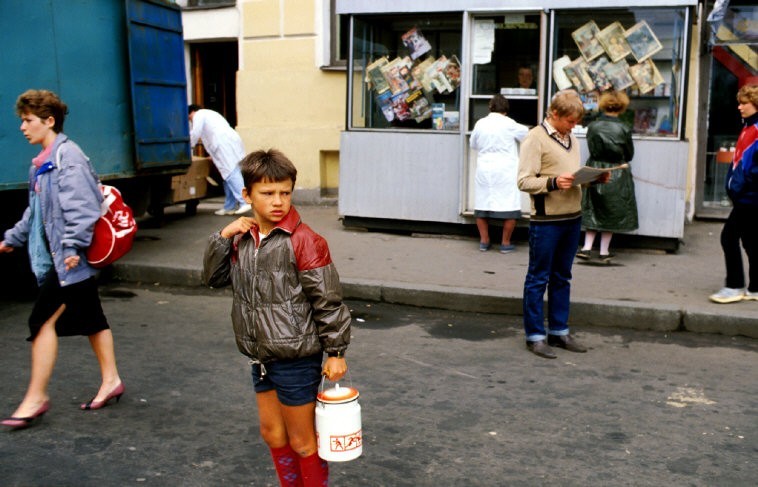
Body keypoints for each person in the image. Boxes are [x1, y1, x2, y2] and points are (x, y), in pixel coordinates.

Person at [202, 149, 351, 486]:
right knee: (273, 434)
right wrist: (223, 237)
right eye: (267, 193)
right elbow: (213, 278)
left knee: (302, 442)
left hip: (297, 357)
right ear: (247, 195)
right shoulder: (242, 239)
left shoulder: (305, 241)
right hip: (262, 355)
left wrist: (337, 352)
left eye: (285, 192)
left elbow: (328, 302)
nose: (278, 201)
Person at [1, 90, 124, 429]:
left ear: (49, 120)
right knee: (92, 318)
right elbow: (37, 210)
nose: (23, 127)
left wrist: (71, 248)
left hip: (68, 259)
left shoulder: (67, 157)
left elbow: (83, 207)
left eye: (28, 120)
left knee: (41, 321)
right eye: (22, 121)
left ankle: (36, 397)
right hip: (64, 257)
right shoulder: (42, 162)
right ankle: (111, 379)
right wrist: (13, 238)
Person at [517, 90, 609, 359]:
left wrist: (592, 179)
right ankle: (535, 336)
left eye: (576, 122)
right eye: (570, 121)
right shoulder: (535, 138)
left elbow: (572, 176)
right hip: (547, 221)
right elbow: (523, 181)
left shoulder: (572, 138)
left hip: (573, 217)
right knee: (538, 278)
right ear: (554, 114)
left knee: (562, 277)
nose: (574, 126)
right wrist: (553, 182)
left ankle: (559, 332)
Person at [709, 84, 758, 304]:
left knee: (728, 237)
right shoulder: (749, 127)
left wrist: (742, 187)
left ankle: (734, 286)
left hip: (750, 197)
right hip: (747, 195)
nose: (739, 107)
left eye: (744, 103)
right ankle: (755, 288)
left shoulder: (755, 130)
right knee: (750, 240)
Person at [577, 90, 638, 263]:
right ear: (622, 106)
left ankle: (587, 248)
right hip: (616, 171)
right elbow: (629, 154)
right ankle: (604, 252)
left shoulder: (593, 126)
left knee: (593, 209)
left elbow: (591, 146)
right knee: (611, 211)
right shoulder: (624, 128)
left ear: (603, 105)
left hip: (595, 168)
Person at [470, 94, 529, 253]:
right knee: (510, 205)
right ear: (506, 109)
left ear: (490, 107)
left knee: (482, 204)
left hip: (485, 168)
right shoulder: (510, 124)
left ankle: (484, 241)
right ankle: (505, 243)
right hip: (505, 170)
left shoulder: (480, 123)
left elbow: (473, 144)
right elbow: (528, 136)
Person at [188, 104, 251, 216]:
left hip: (224, 143)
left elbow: (195, 133)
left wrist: (188, 147)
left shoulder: (199, 114)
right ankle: (229, 206)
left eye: (189, 117)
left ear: (192, 112)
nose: (190, 120)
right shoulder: (209, 114)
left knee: (231, 172)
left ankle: (244, 202)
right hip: (229, 141)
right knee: (228, 174)